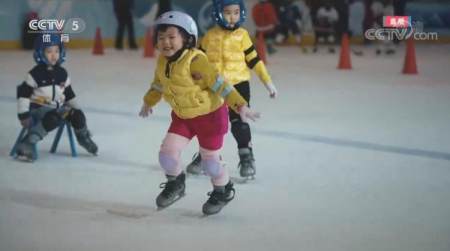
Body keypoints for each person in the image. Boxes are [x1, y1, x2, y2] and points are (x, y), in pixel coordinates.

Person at [139, 11, 260, 215]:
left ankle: (223, 189)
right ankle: (176, 183)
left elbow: (220, 84)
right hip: (183, 116)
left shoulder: (196, 61)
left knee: (211, 164)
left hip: (210, 117)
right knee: (167, 156)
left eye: (171, 37)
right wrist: (148, 102)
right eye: (160, 38)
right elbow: (159, 84)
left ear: (187, 39)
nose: (165, 42)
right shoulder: (162, 61)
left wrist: (240, 105)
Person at [185, 0, 277, 180]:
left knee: (239, 121)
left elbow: (255, 62)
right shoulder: (209, 37)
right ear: (218, 13)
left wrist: (268, 82)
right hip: (214, 86)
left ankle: (246, 156)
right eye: (228, 12)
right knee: (209, 123)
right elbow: (197, 62)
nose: (232, 16)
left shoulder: (242, 36)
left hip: (238, 84)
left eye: (236, 12)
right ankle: (206, 156)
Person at [15, 33, 98, 161]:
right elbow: (24, 95)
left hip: (57, 109)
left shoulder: (62, 73)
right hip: (38, 109)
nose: (54, 55)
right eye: (49, 51)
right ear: (40, 53)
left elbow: (69, 94)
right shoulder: (34, 74)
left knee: (77, 115)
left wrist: (77, 109)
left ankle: (83, 138)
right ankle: (28, 141)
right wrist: (23, 115)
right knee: (54, 118)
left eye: (57, 51)